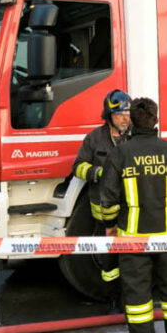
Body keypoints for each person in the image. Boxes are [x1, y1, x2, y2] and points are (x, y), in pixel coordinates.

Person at [97, 97, 167, 333]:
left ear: (132, 121)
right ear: (155, 120)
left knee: (138, 300)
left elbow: (108, 200)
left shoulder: (120, 154)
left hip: (131, 242)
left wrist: (110, 225)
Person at [72, 89, 131, 285]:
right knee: (108, 258)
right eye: (119, 113)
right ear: (108, 115)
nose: (125, 118)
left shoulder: (134, 137)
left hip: (129, 211)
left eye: (127, 113)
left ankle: (128, 291)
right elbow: (78, 166)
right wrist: (97, 172)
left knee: (130, 255)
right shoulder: (95, 138)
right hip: (103, 213)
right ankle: (111, 292)